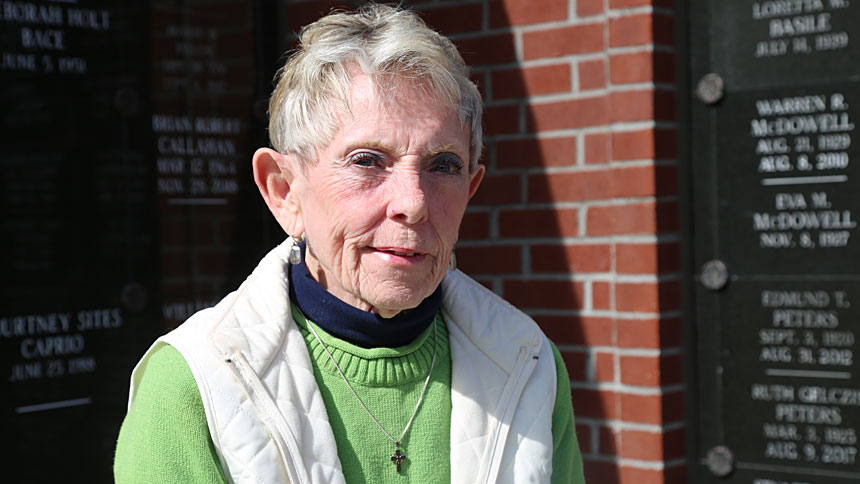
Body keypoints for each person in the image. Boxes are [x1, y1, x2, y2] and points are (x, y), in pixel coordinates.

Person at [114, 4, 585, 483]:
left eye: (443, 165)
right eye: (367, 160)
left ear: (471, 189)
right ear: (284, 191)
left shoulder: (528, 365)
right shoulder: (195, 387)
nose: (413, 203)